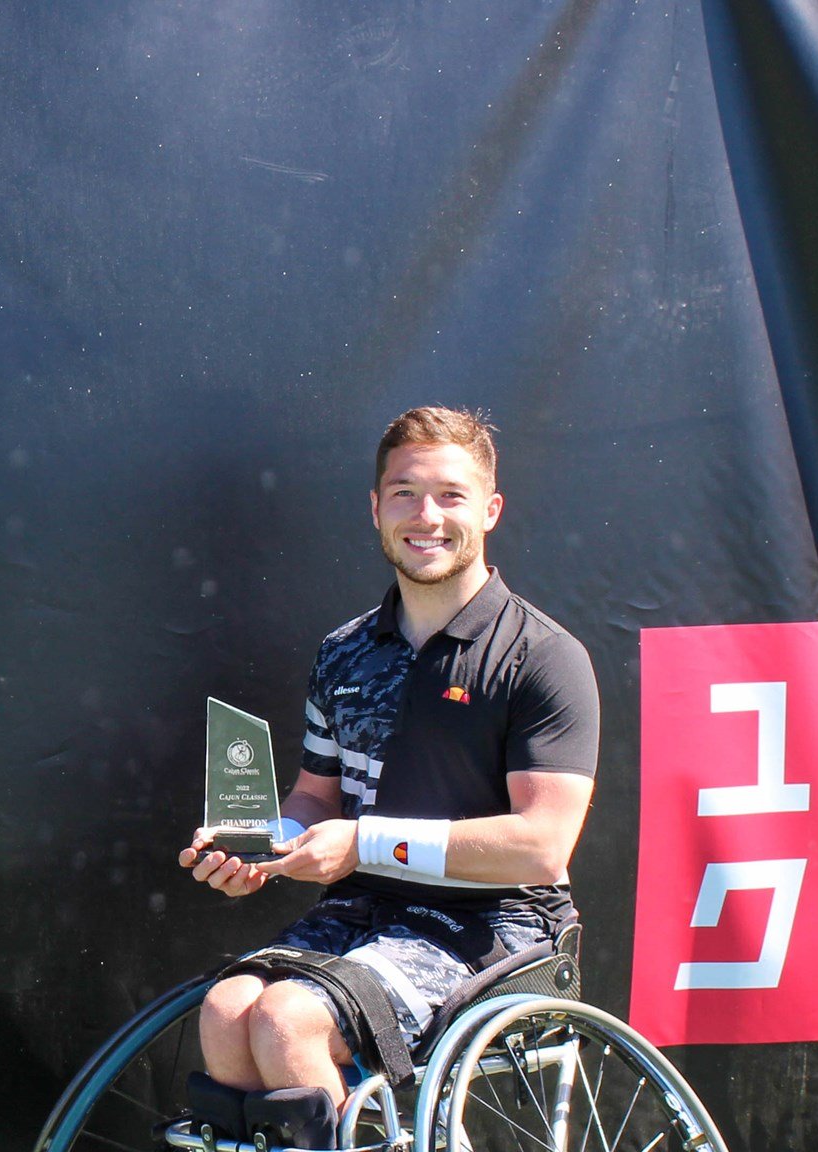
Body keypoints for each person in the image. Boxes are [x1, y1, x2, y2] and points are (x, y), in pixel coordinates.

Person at [176, 407, 598, 1149]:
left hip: (499, 927)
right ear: (376, 509)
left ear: (491, 511)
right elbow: (315, 797)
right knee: (227, 1006)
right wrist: (263, 846)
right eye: (404, 493)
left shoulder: (543, 657)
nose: (425, 516)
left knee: (286, 1018)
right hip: (366, 914)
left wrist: (366, 845)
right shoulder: (343, 653)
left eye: (451, 495)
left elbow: (542, 847)